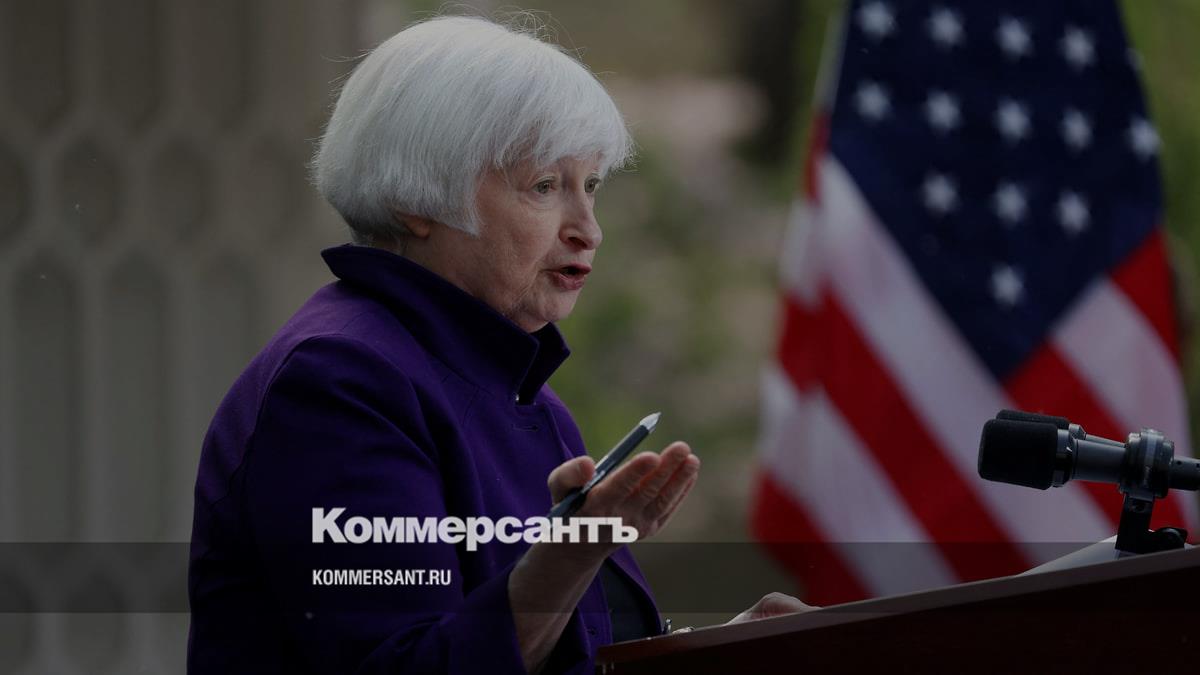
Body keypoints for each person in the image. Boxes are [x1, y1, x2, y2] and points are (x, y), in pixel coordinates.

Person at [188, 14, 807, 674]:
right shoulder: (339, 383)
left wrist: (722, 653)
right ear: (418, 196)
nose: (589, 229)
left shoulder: (526, 394)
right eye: (545, 186)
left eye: (591, 186)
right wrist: (569, 555)